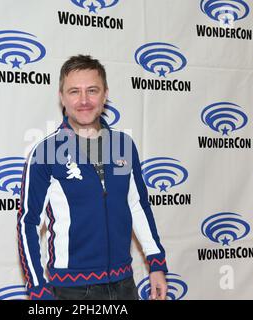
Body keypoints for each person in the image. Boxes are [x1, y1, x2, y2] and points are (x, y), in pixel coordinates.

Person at [17, 55, 168, 300]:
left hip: (124, 285)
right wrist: (37, 288)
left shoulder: (123, 146)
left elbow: (136, 206)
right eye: (74, 91)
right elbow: (29, 222)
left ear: (105, 94)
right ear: (62, 97)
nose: (84, 100)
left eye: (92, 90)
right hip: (72, 290)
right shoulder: (46, 153)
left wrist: (156, 263)